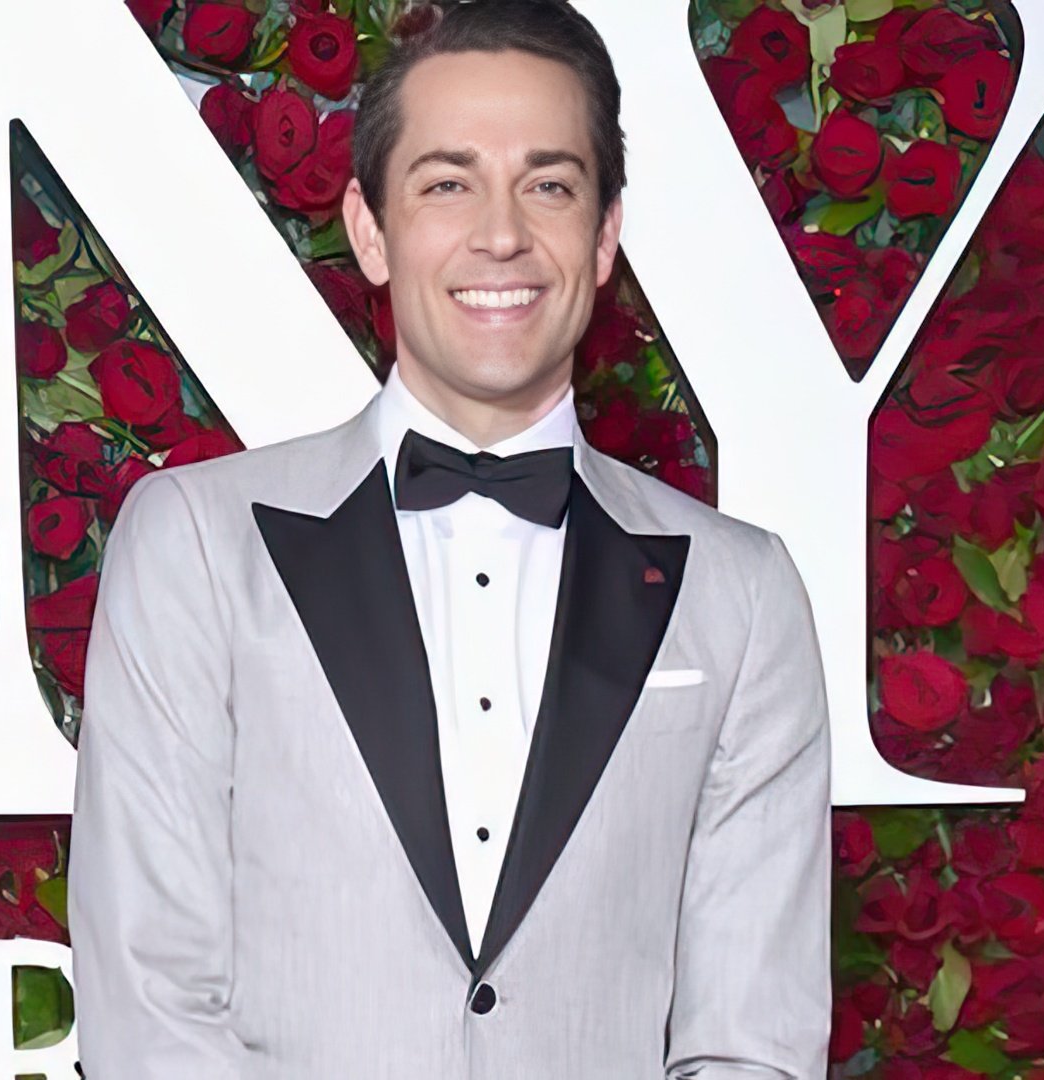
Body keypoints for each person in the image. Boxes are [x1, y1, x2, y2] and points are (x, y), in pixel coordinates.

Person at [67, 1, 833, 1076]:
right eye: (447, 182)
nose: (502, 232)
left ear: (605, 235)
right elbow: (151, 1002)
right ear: (371, 232)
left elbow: (754, 1039)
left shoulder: (742, 595)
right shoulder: (195, 545)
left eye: (550, 185)